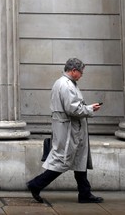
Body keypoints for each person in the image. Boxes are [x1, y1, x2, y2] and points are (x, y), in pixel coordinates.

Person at [26, 58, 104, 204]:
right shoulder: (67, 85)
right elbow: (73, 109)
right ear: (74, 71)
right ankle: (36, 184)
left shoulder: (62, 83)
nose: (82, 75)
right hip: (70, 130)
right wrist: (90, 109)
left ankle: (85, 193)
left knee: (79, 160)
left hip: (69, 128)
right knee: (62, 161)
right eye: (81, 72)